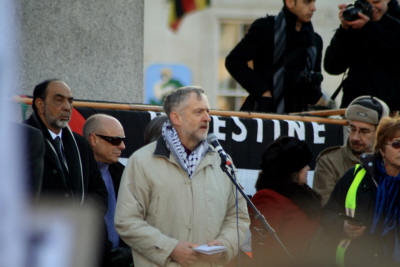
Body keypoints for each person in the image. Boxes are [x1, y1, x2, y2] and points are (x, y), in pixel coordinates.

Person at [115, 86, 250, 267]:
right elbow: (127, 221)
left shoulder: (222, 162)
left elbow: (238, 217)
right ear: (176, 118)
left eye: (208, 112)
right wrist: (170, 249)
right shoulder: (141, 161)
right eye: (198, 112)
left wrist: (224, 244)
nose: (207, 118)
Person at [24, 79, 109, 265]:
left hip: (77, 244)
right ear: (40, 104)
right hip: (38, 245)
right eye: (58, 100)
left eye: (70, 101)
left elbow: (99, 192)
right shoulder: (22, 140)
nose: (67, 107)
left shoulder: (80, 145)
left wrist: (81, 219)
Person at [321, 115, 400, 266]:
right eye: (397, 144)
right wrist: (342, 226)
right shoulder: (355, 176)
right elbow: (327, 213)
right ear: (382, 150)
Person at [225, 0, 323, 114]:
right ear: (290, 3)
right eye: (307, 2)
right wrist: (263, 92)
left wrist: (311, 88)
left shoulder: (315, 41)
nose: (313, 8)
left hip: (298, 117)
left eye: (314, 2)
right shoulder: (266, 28)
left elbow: (313, 95)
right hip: (265, 113)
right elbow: (234, 61)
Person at [250, 136, 321, 266]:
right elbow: (266, 250)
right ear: (292, 171)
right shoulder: (268, 198)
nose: (308, 169)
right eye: (303, 165)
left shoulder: (303, 194)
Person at [324, 0, 400, 112]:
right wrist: (344, 30)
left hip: (391, 112)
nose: (371, 7)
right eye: (366, 3)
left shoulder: (396, 22)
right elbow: (332, 67)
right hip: (354, 107)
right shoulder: (356, 22)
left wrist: (369, 27)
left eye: (376, 2)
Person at [313, 96, 389, 206]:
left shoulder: (392, 159)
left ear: (380, 132)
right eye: (352, 129)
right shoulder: (330, 161)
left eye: (364, 131)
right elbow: (326, 209)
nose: (355, 137)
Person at [83, 114, 133, 267]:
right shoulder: (77, 175)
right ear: (93, 140)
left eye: (123, 139)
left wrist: (130, 251)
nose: (123, 146)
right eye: (116, 140)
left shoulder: (126, 174)